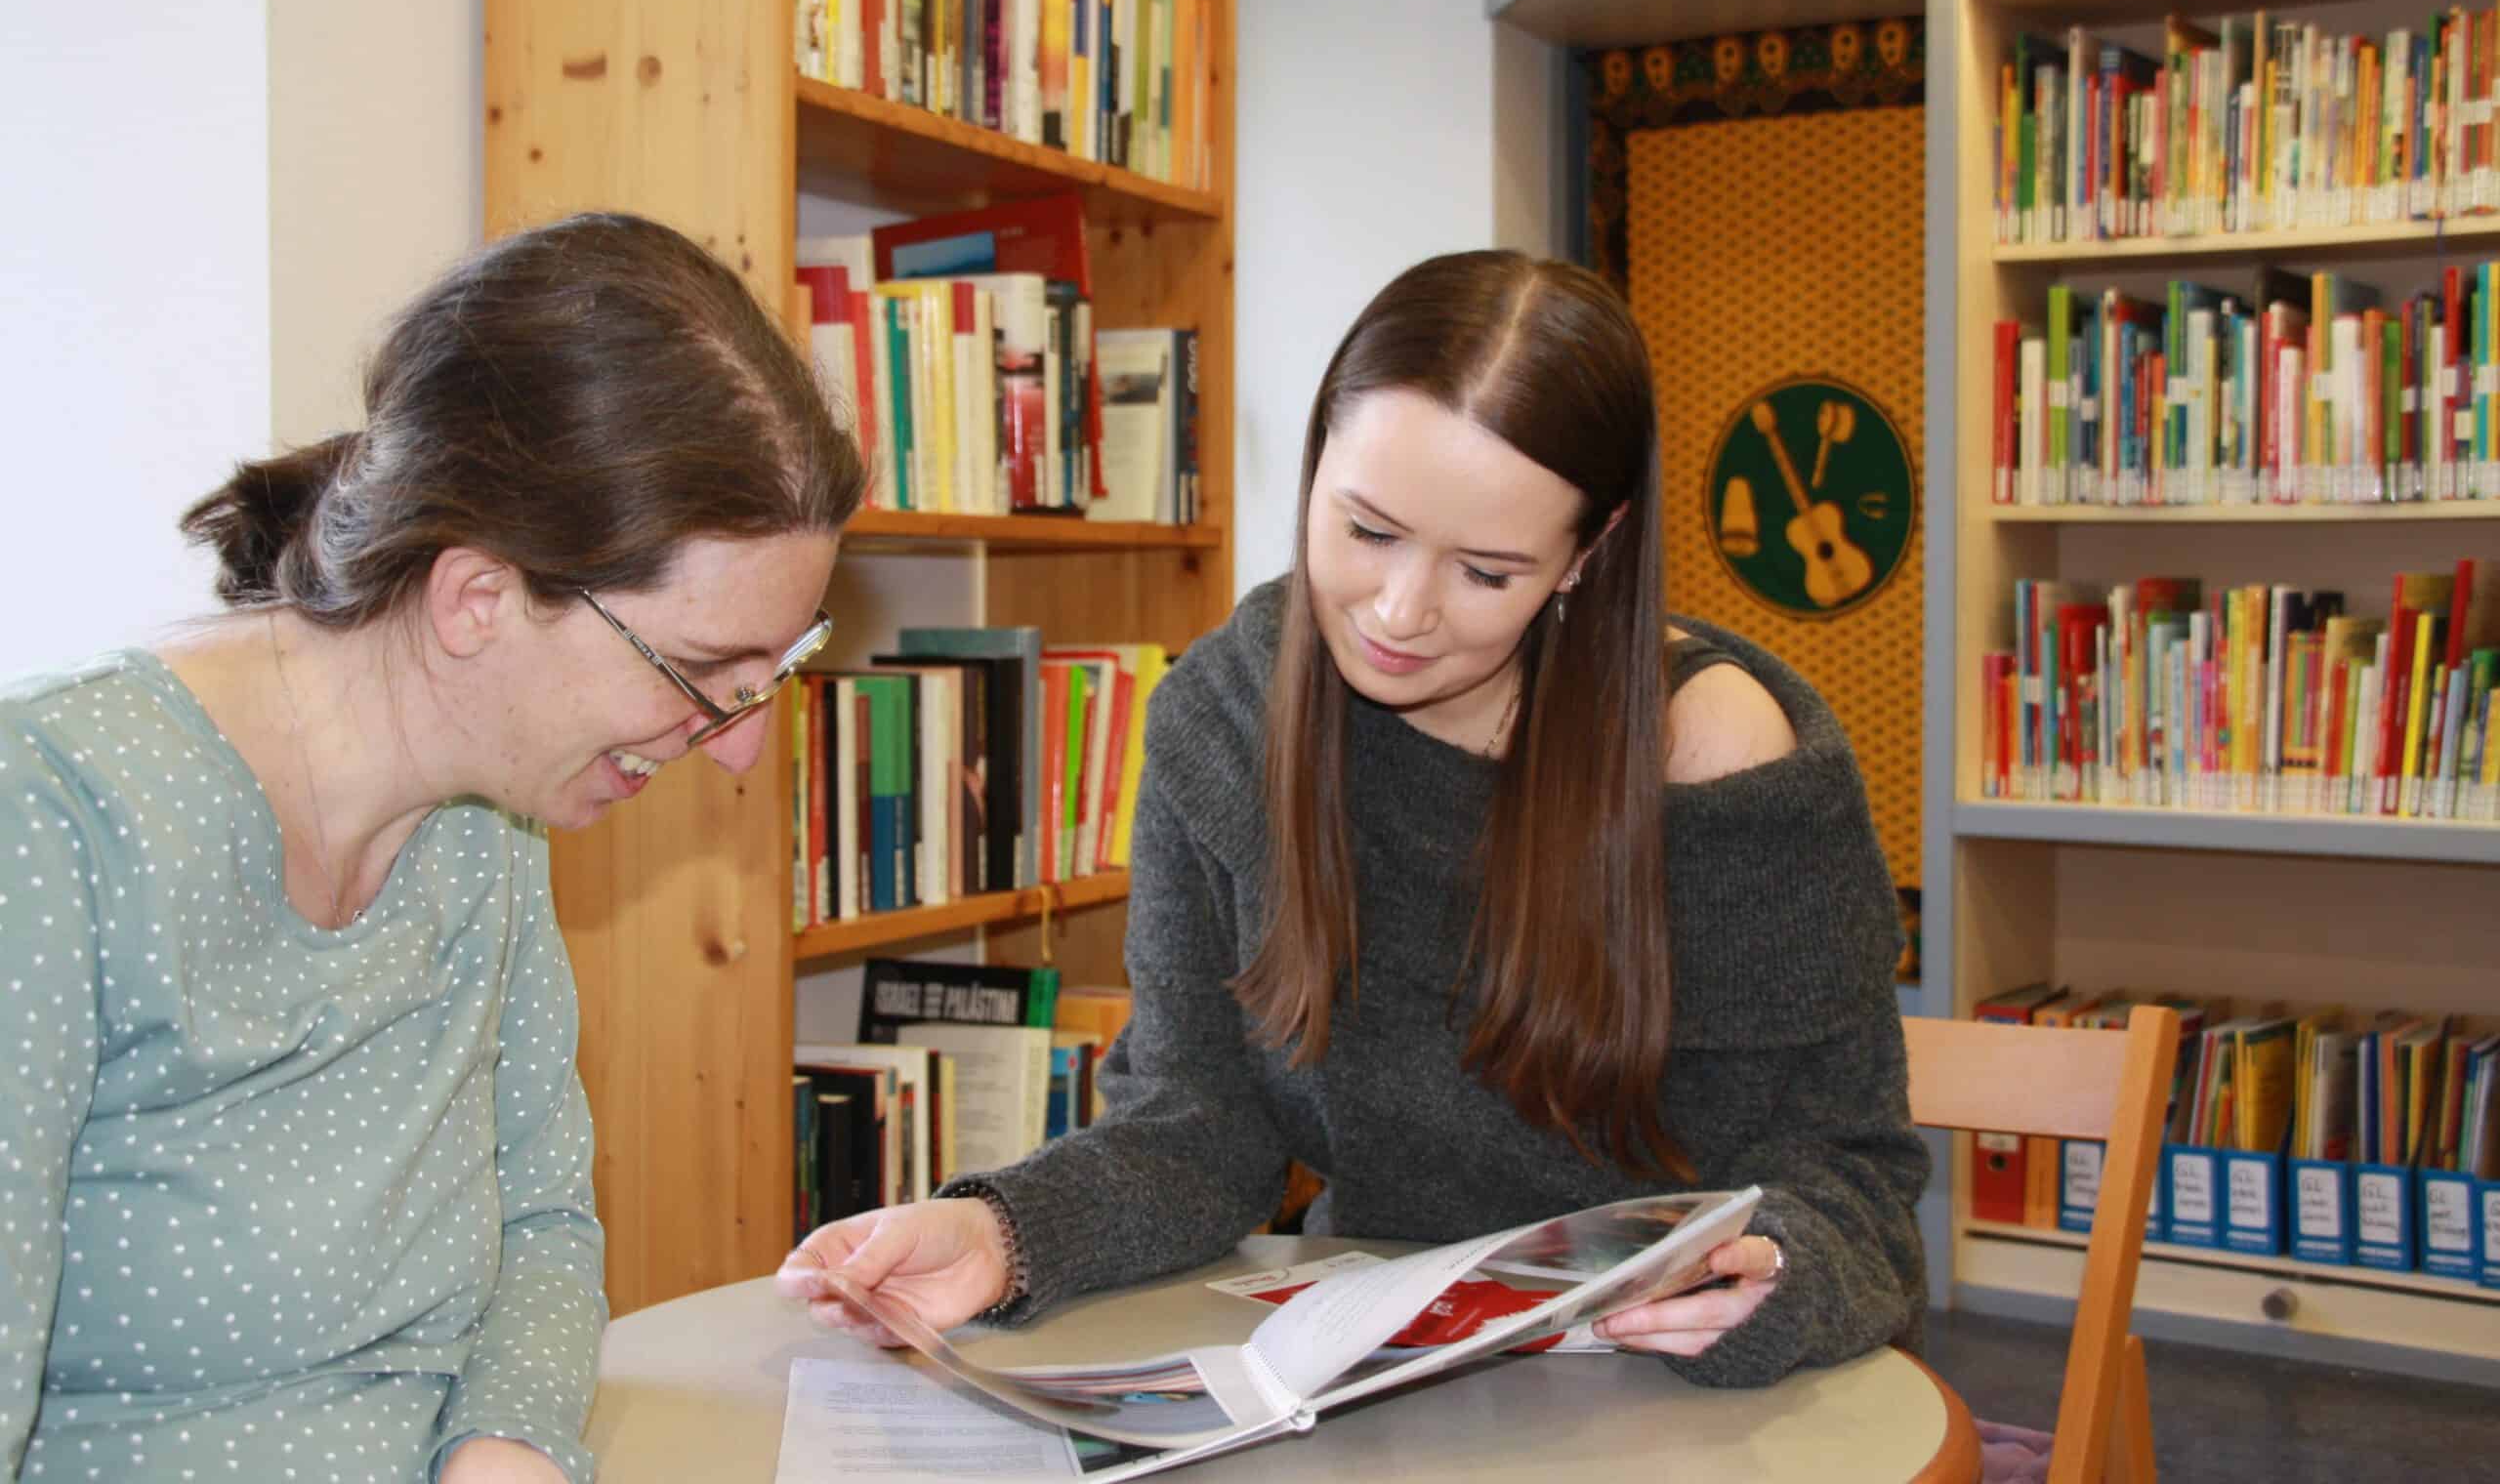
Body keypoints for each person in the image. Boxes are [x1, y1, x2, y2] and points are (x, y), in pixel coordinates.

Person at [778, 249, 1927, 1385]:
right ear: (1315, 458)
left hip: (1663, 1395)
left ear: (1591, 552)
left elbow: (1852, 1184)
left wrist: (1774, 1277)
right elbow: (1199, 1128)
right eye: (1365, 530)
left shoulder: (1716, 753)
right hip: (1371, 1370)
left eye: (1485, 572)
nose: (1397, 612)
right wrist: (999, 1234)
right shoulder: (1225, 718)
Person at [0, 212, 865, 1483]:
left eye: (771, 674)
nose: (737, 751)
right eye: (701, 674)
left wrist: (503, 1446)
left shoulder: (491, 817)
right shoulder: (55, 823)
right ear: (478, 598)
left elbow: (541, 1229)